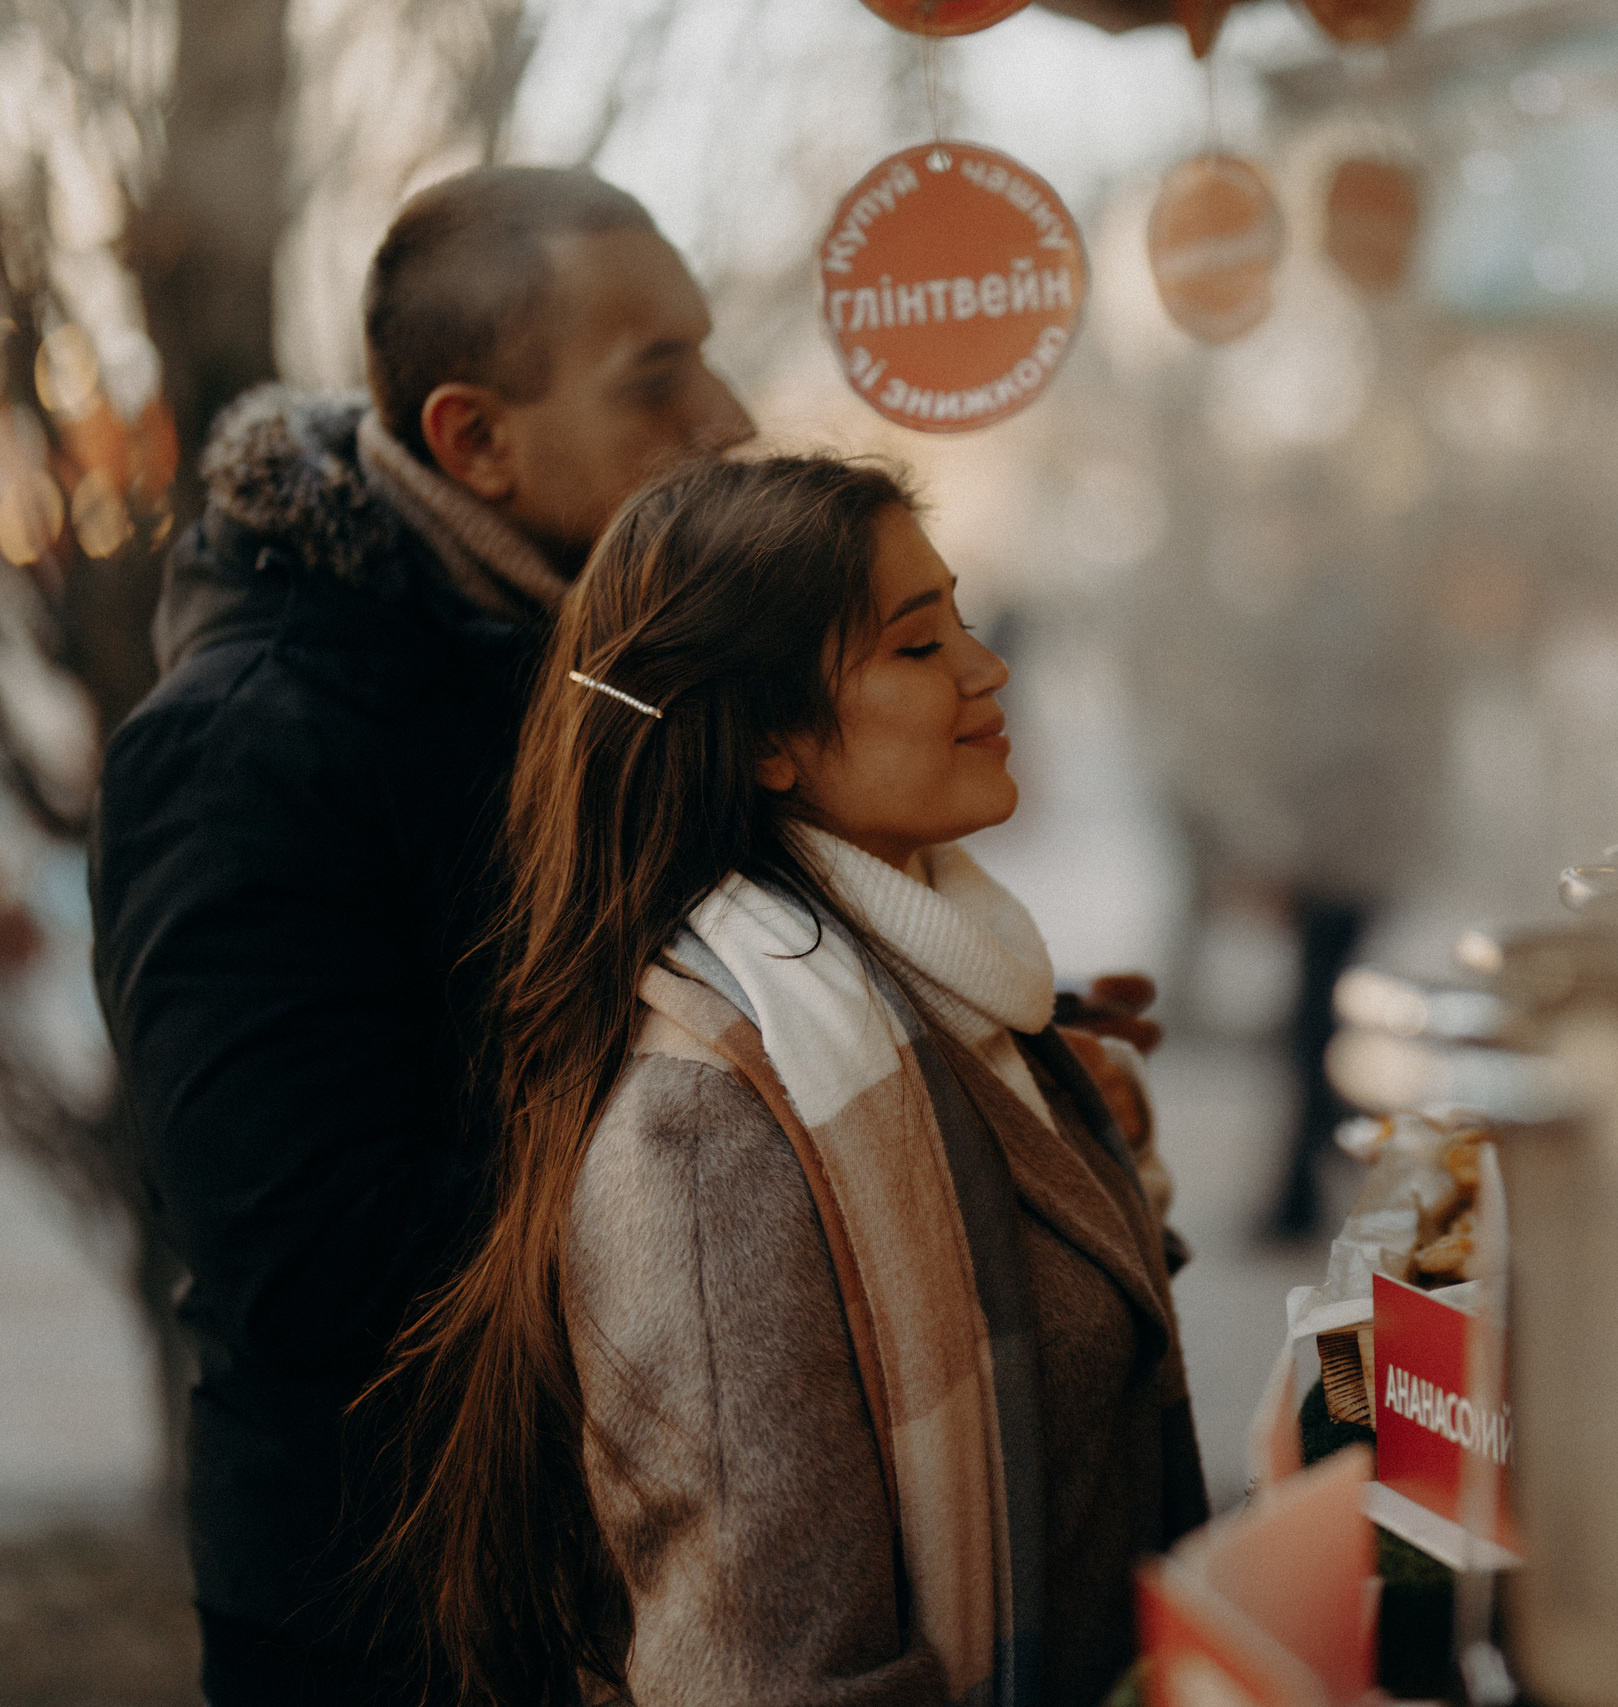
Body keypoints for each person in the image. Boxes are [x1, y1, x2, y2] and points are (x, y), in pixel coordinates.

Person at [377, 454, 1205, 1705]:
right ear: (766, 738)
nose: (987, 673)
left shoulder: (959, 989)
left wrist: (1094, 1167)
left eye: (961, 623)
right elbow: (775, 1679)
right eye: (918, 649)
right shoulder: (709, 1140)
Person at [87, 165, 754, 1702]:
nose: (725, 417)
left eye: (705, 353)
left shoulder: (609, 664)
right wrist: (762, 1177)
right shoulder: (244, 743)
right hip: (401, 1621)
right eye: (658, 380)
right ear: (473, 440)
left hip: (622, 1566)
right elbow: (308, 1251)